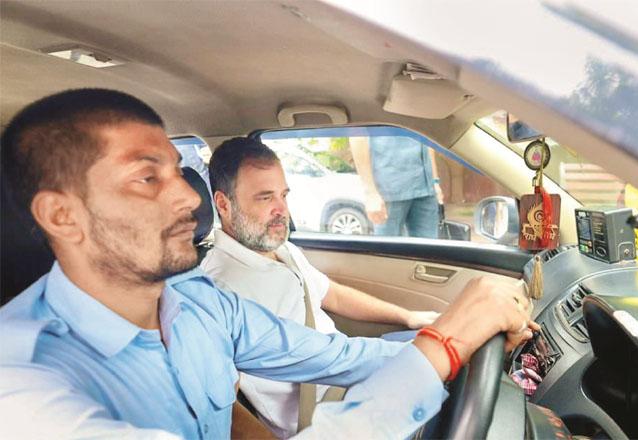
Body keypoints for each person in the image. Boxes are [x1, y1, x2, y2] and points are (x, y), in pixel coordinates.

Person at [0, 88, 534, 439]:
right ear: (63, 216)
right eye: (147, 178)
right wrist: (450, 340)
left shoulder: (196, 303)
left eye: (177, 172)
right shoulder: (27, 386)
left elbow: (337, 355)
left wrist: (447, 344)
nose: (189, 199)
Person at [201, 137, 440, 438]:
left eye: (283, 195)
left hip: (353, 376)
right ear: (224, 204)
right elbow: (223, 402)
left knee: (440, 352)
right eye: (265, 198)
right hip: (327, 417)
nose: (281, 210)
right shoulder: (218, 288)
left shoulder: (281, 246)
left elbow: (331, 294)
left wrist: (408, 317)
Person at [350, 135, 444, 238]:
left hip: (426, 188)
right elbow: (357, 136)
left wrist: (435, 181)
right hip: (390, 191)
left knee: (429, 251)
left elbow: (426, 136)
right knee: (388, 250)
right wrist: (371, 193)